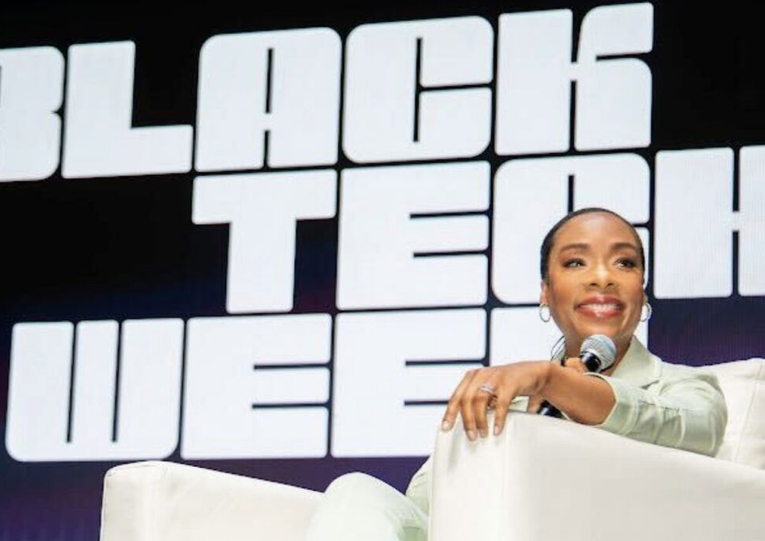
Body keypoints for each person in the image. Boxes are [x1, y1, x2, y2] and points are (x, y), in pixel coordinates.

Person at [304, 208, 728, 541]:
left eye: (624, 262)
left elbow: (693, 430)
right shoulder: (508, 401)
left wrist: (557, 383)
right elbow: (427, 511)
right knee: (358, 491)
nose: (602, 277)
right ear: (546, 292)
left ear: (642, 290)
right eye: (576, 262)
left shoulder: (682, 387)